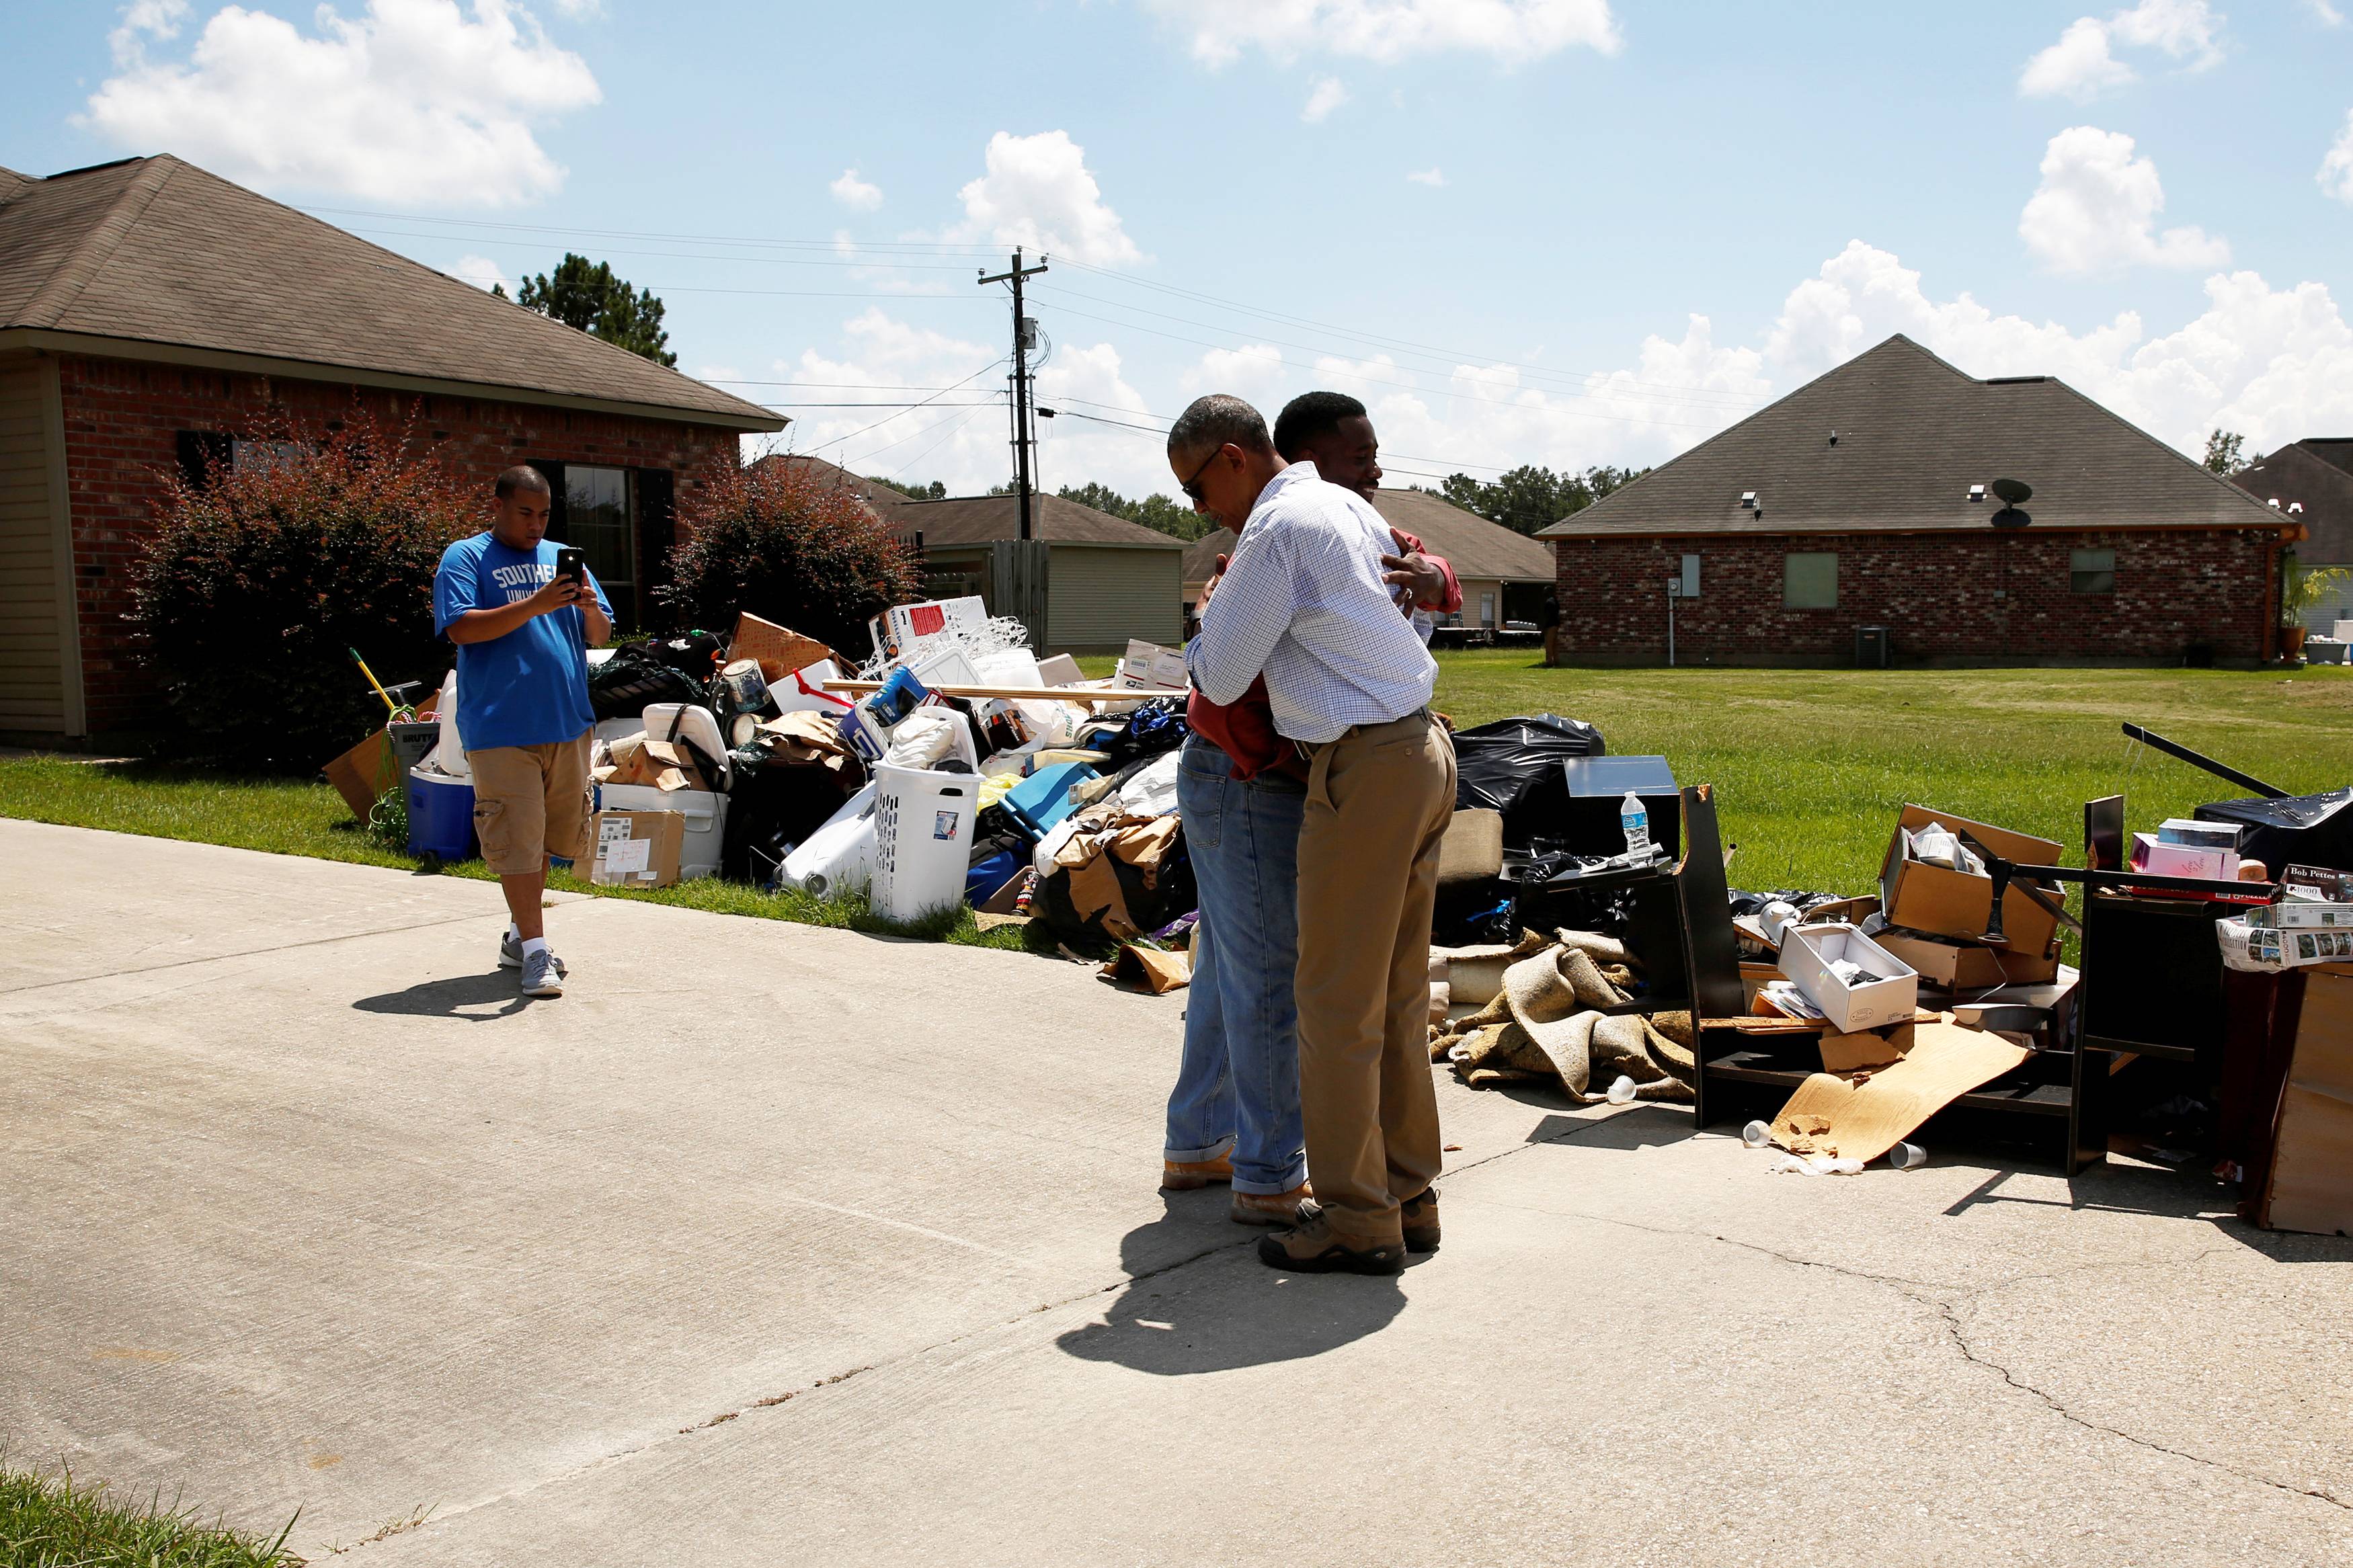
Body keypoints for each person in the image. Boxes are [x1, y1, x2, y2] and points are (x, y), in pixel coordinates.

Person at [1174, 394, 1457, 1278]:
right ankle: (1409, 1197)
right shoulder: (1341, 506)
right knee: (1396, 996)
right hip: (1422, 750)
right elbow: (1412, 608)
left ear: (1231, 457)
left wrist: (1209, 613)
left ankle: (1354, 1216)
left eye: (1194, 488)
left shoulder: (1277, 526)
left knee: (1331, 1005)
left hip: (1363, 768)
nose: (1198, 510)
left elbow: (1219, 673)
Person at [432, 465, 612, 999]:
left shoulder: (563, 559)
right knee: (516, 837)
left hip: (566, 721)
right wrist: (537, 603)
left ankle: (518, 935)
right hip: (501, 726)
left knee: (549, 841)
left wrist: (584, 604)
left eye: (544, 514)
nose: (535, 525)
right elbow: (462, 626)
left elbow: (602, 630)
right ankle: (537, 952)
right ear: (498, 505)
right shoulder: (465, 557)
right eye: (524, 513)